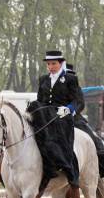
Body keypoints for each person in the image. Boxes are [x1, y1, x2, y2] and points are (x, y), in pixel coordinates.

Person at [27, 50, 83, 188]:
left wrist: (69, 109)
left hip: (61, 115)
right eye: (48, 64)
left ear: (60, 63)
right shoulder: (43, 79)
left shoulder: (70, 79)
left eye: (53, 64)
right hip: (46, 114)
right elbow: (40, 100)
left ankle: (68, 168)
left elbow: (78, 100)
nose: (50, 67)